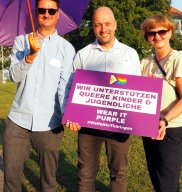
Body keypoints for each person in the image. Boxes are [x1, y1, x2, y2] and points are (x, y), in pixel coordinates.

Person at [65, 7, 141, 192]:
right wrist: (71, 114)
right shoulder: (83, 54)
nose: (103, 29)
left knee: (119, 173)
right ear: (93, 27)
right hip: (88, 125)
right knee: (85, 175)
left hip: (119, 125)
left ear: (115, 25)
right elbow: (70, 87)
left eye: (107, 24)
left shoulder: (129, 54)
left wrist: (138, 120)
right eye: (98, 24)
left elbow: (137, 89)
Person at [3, 0, 75, 191]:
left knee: (48, 182)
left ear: (58, 14)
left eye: (51, 10)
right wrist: (30, 56)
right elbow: (14, 76)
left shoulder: (66, 49)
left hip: (50, 124)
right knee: (11, 180)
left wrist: (68, 114)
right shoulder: (21, 41)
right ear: (36, 13)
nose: (46, 13)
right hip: (18, 121)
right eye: (42, 10)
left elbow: (65, 87)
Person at [140, 15, 182, 192]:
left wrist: (164, 120)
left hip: (173, 128)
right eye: (152, 33)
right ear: (147, 36)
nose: (157, 36)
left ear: (170, 32)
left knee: (167, 182)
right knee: (156, 178)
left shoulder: (179, 58)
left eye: (162, 31)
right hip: (149, 128)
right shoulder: (146, 62)